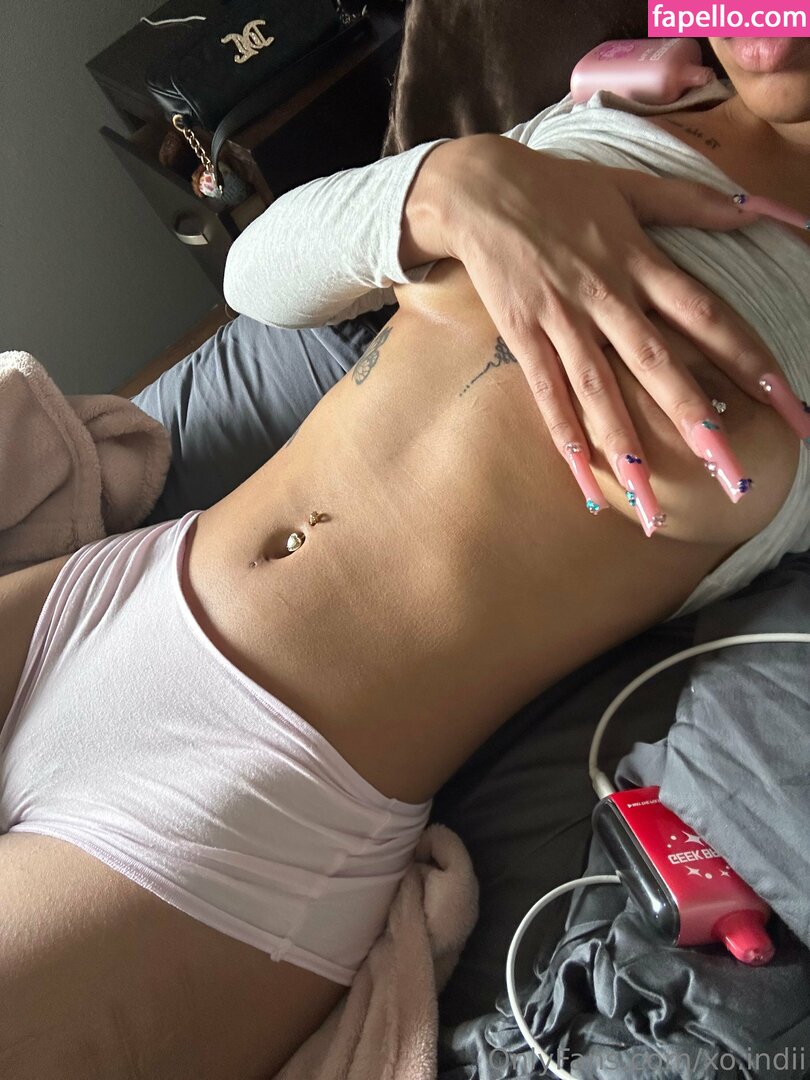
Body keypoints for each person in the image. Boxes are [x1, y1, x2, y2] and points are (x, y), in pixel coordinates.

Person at [1, 34, 808, 1080]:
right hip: (92, 607)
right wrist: (450, 184)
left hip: (252, 814)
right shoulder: (626, 110)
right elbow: (257, 278)